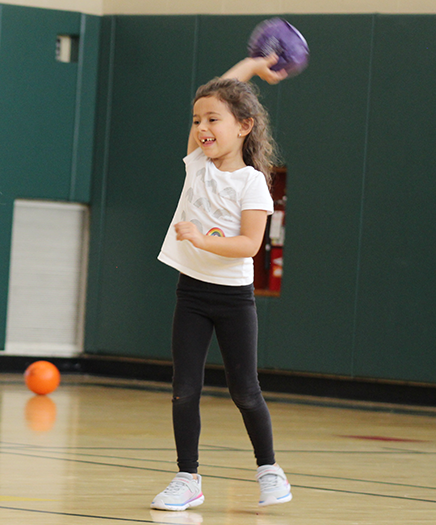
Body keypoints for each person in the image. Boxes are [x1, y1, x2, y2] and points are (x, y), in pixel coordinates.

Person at [151, 56, 292, 511]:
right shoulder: (197, 164)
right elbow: (222, 89)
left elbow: (250, 245)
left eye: (213, 119)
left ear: (245, 126)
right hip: (191, 294)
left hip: (234, 300)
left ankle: (270, 470)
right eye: (197, 120)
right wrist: (251, 64)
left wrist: (200, 239)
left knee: (244, 391)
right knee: (183, 389)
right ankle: (187, 477)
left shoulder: (253, 183)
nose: (203, 127)